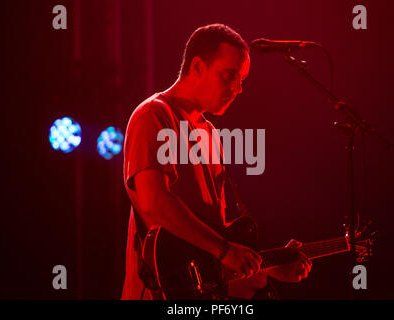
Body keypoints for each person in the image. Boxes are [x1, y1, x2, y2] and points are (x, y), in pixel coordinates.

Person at [121, 23, 311, 300]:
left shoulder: (210, 133)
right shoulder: (154, 115)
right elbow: (154, 203)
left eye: (242, 79)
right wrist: (225, 250)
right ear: (197, 67)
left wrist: (267, 265)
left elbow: (212, 239)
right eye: (229, 75)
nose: (238, 88)